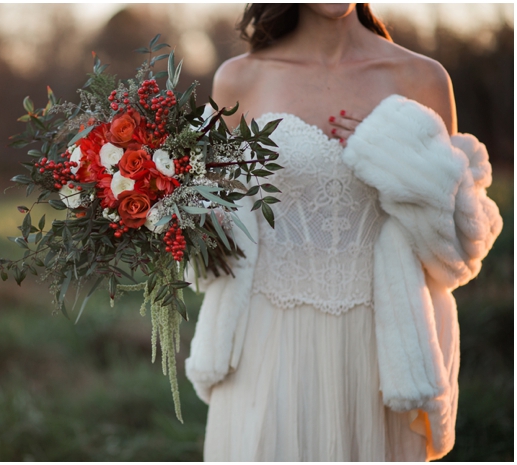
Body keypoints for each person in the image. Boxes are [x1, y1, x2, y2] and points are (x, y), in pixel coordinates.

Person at [184, 3, 503, 461]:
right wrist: (159, 201)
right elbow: (217, 237)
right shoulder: (240, 79)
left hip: (378, 352)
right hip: (265, 348)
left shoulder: (422, 77)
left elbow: (458, 249)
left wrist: (393, 158)